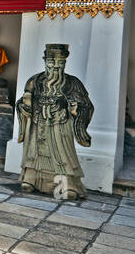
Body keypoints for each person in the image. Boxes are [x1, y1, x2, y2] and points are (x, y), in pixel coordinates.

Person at [17, 44, 93, 199]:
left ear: (65, 63)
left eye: (60, 63)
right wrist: (25, 106)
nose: (56, 67)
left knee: (62, 154)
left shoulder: (73, 83)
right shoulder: (34, 81)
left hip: (60, 124)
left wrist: (70, 106)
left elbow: (86, 105)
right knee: (34, 152)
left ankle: (67, 184)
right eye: (51, 63)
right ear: (45, 62)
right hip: (38, 124)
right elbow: (22, 101)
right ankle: (31, 179)